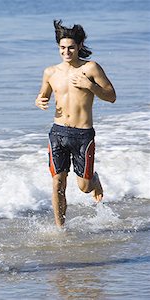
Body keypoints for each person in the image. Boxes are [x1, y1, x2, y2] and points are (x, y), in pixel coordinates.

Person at [35, 20, 116, 227]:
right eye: (62, 48)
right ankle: (60, 228)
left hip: (83, 135)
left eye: (71, 47)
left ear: (79, 46)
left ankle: (94, 179)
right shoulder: (50, 72)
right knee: (57, 183)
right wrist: (39, 100)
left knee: (84, 187)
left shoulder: (91, 68)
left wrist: (90, 86)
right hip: (58, 132)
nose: (66, 51)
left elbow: (111, 96)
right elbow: (43, 95)